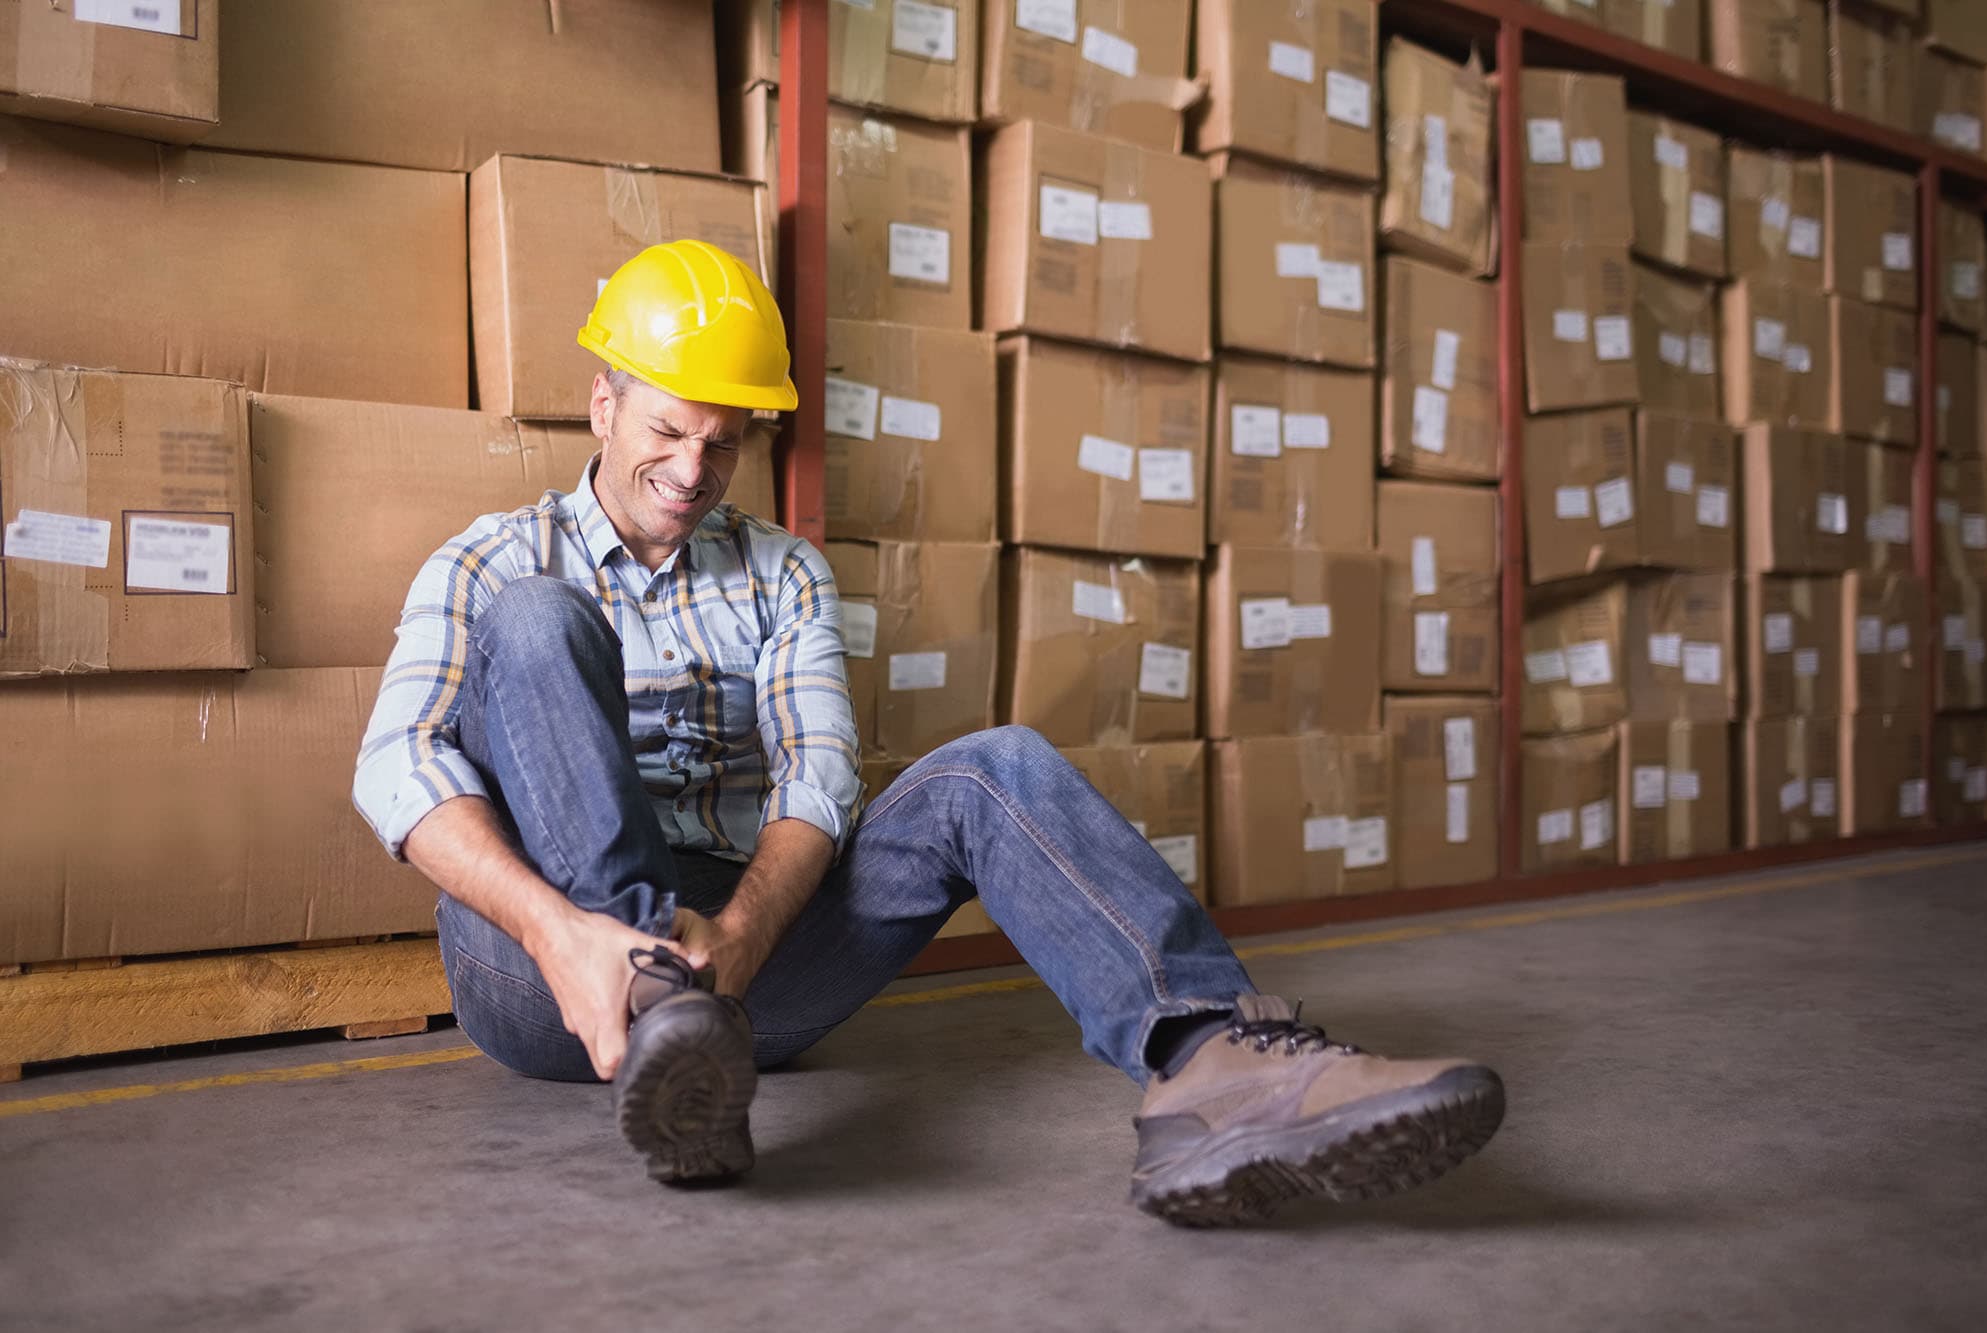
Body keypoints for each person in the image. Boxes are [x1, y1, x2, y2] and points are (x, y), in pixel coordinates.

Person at [353, 240, 1505, 1225]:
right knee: (540, 623)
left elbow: (819, 779)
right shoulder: (492, 560)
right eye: (666, 431)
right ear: (601, 403)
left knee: (990, 766)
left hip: (749, 962)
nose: (692, 470)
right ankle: (659, 1013)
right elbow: (396, 761)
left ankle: (1212, 1063)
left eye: (724, 442)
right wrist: (562, 934)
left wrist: (743, 938)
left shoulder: (784, 573)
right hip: (537, 965)